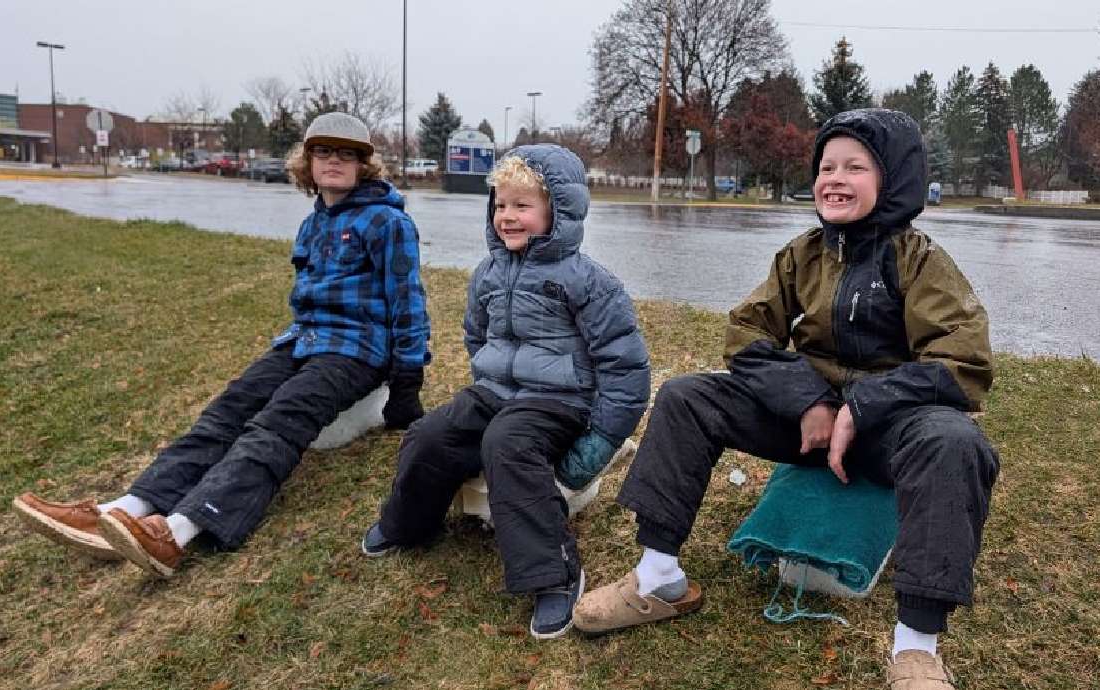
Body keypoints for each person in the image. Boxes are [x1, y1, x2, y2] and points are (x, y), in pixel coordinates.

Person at [572, 109, 999, 690]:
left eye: (855, 166)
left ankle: (916, 647)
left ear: (894, 179)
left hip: (889, 432)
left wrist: (862, 407)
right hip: (809, 424)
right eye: (826, 166)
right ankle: (657, 576)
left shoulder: (920, 259)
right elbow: (745, 334)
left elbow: (964, 362)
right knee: (687, 396)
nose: (834, 178)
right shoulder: (803, 253)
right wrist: (808, 402)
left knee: (956, 441)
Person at [12, 112, 431, 578]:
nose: (334, 162)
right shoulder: (315, 222)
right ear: (307, 162)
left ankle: (177, 531)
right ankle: (126, 508)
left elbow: (408, 302)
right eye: (323, 152)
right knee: (227, 410)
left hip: (356, 350)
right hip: (303, 341)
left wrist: (408, 382)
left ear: (363, 166)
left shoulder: (387, 222)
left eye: (346, 155)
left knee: (277, 423)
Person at [360, 144, 651, 640]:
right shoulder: (488, 275)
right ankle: (409, 521)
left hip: (560, 402)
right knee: (431, 433)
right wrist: (487, 385)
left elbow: (626, 370)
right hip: (496, 392)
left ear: (557, 212)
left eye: (523, 205)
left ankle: (554, 574)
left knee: (508, 443)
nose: (508, 216)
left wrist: (596, 444)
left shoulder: (589, 282)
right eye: (500, 205)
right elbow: (478, 335)